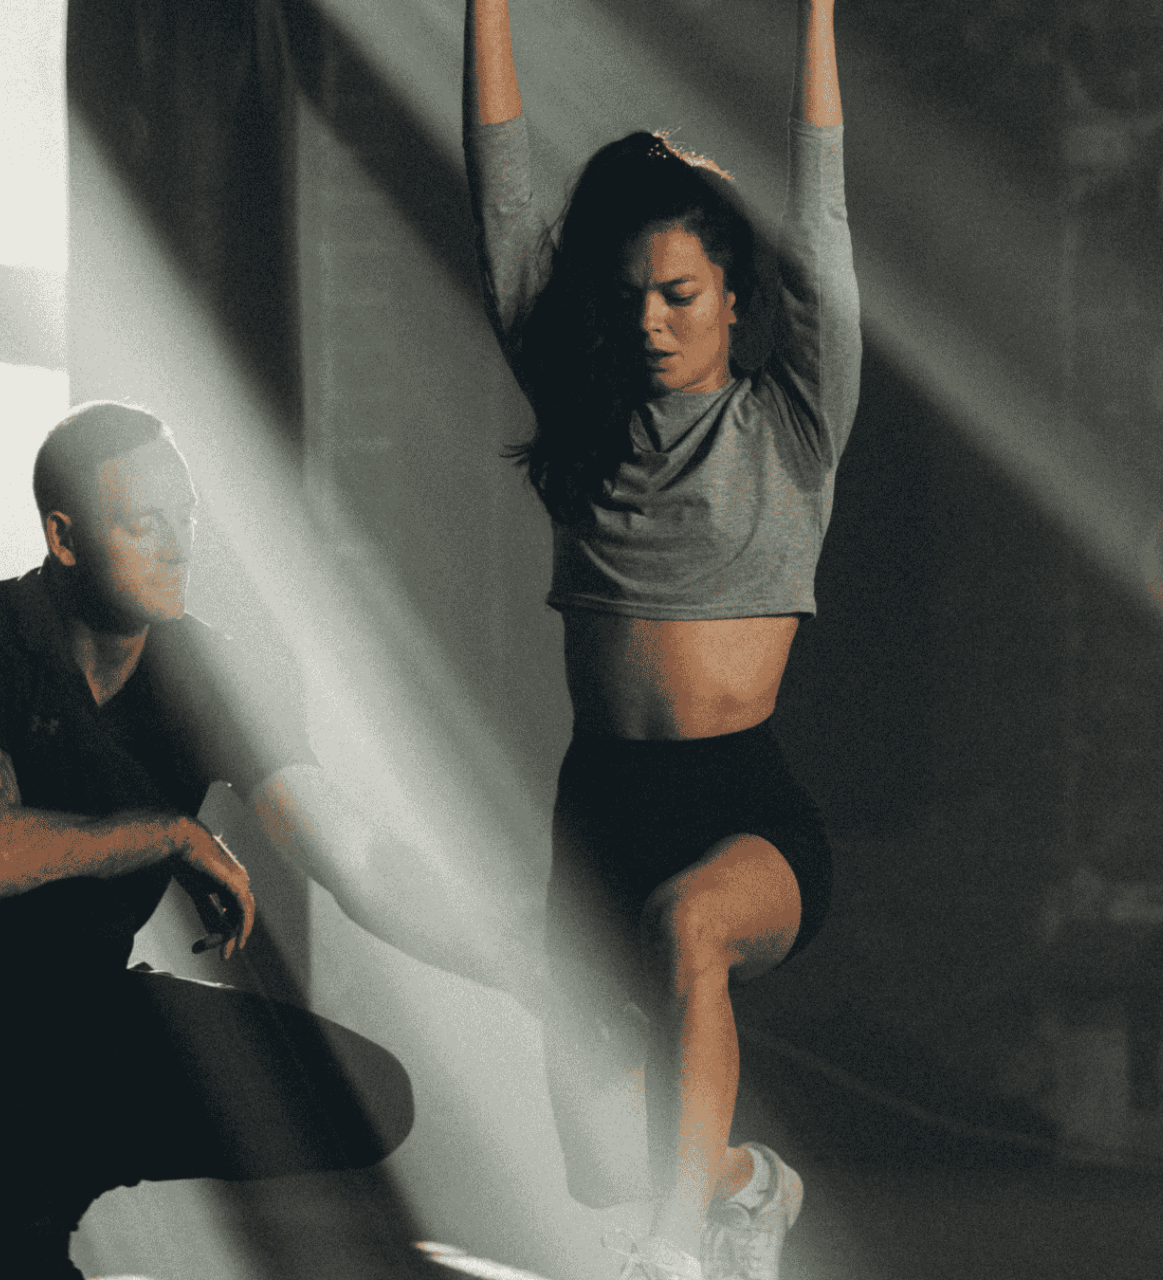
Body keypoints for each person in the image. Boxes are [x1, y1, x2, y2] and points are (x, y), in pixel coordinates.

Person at [0, 402, 510, 1279]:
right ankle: (30, 1202)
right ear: (65, 539)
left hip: (76, 1012)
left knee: (366, 1097)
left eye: (184, 520)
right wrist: (167, 834)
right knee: (67, 1043)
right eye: (144, 525)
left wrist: (517, 962)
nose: (178, 547)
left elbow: (355, 857)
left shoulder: (203, 674)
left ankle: (30, 1184)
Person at [464, 2, 855, 1278]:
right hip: (600, 800)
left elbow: (824, 222)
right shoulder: (580, 416)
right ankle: (745, 1188)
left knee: (693, 928)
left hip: (742, 805)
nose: (651, 319)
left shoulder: (791, 428)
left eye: (680, 294)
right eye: (632, 296)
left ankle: (677, 1252)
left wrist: (813, 18)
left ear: (735, 300)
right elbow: (503, 194)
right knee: (598, 1155)